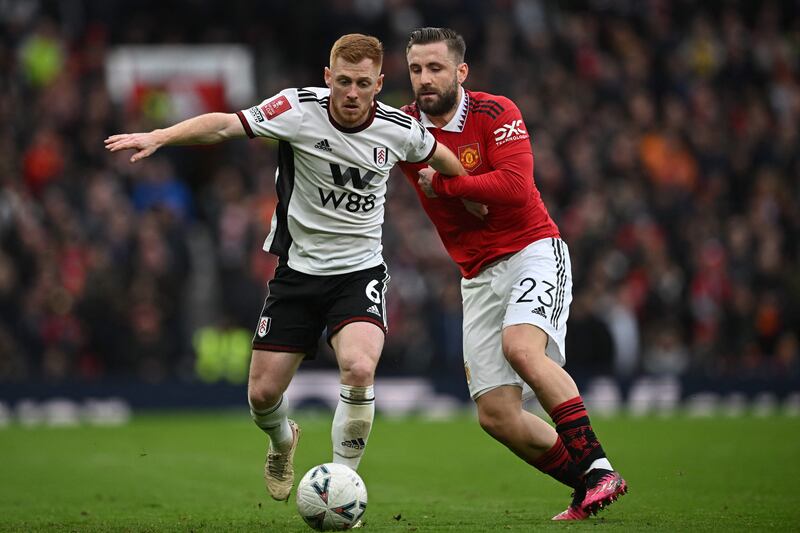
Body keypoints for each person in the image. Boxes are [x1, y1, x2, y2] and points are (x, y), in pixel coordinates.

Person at [106, 33, 467, 503]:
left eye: (362, 83)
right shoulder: (296, 109)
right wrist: (161, 135)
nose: (352, 93)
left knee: (359, 367)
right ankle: (283, 442)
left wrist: (465, 191)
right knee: (261, 397)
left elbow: (441, 156)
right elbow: (224, 126)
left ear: (379, 84)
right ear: (327, 78)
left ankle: (341, 488)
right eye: (342, 82)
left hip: (359, 273)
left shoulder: (398, 128)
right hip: (297, 273)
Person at [399, 27, 627, 520]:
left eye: (436, 68)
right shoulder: (404, 128)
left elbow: (516, 187)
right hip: (477, 276)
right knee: (496, 415)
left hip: (532, 250)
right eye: (416, 69)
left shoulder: (496, 112)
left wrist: (445, 183)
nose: (425, 79)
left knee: (521, 348)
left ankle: (600, 464)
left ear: (461, 71)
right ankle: (587, 484)